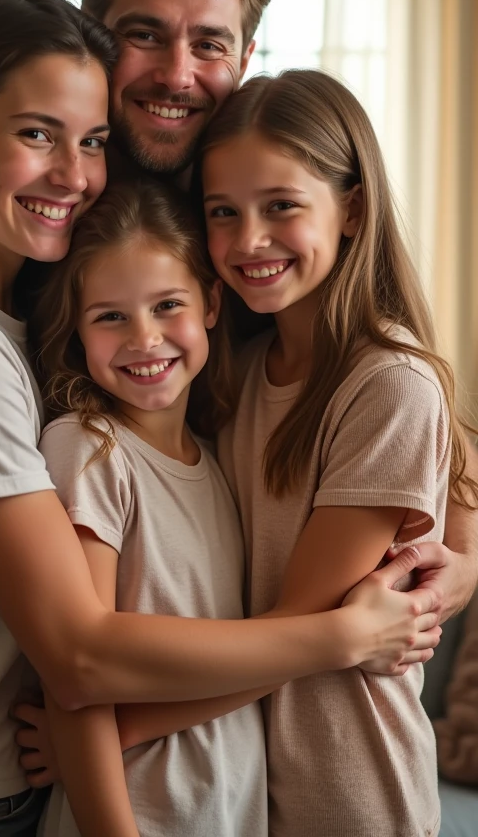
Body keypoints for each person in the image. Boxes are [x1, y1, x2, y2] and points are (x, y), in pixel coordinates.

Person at [0, 0, 433, 837]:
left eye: (91, 141)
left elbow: (419, 435)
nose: (73, 173)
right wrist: (347, 636)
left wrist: (457, 555)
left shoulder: (23, 325)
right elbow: (81, 654)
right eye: (35, 134)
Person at [79, 0, 478, 625]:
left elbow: (406, 405)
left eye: (208, 43)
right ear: (94, 43)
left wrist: (465, 555)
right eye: (144, 35)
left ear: (242, 58)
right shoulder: (62, 212)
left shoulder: (265, 158)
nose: (177, 74)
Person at [201, 69, 478, 836]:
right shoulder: (239, 371)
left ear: (352, 208)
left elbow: (300, 630)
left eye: (281, 206)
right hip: (241, 779)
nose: (248, 240)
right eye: (223, 212)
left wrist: (108, 730)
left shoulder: (386, 383)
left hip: (351, 791)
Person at [32, 180, 269, 837]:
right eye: (110, 316)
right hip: (131, 815)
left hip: (227, 808)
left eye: (168, 305)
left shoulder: (219, 459)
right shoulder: (88, 448)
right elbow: (74, 677)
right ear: (77, 331)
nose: (144, 338)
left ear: (213, 303)